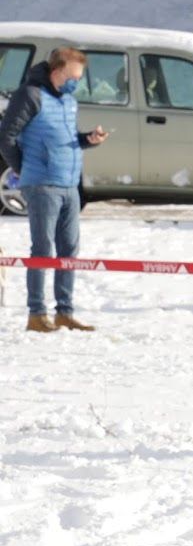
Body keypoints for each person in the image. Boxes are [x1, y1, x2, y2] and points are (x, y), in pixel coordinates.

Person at [0, 46, 108, 332]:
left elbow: (67, 138)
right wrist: (25, 169)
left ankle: (65, 311)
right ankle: (37, 314)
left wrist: (88, 139)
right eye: (74, 76)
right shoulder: (31, 95)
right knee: (43, 248)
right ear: (57, 71)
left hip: (69, 184)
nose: (77, 82)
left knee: (69, 248)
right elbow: (6, 137)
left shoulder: (68, 100)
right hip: (42, 185)